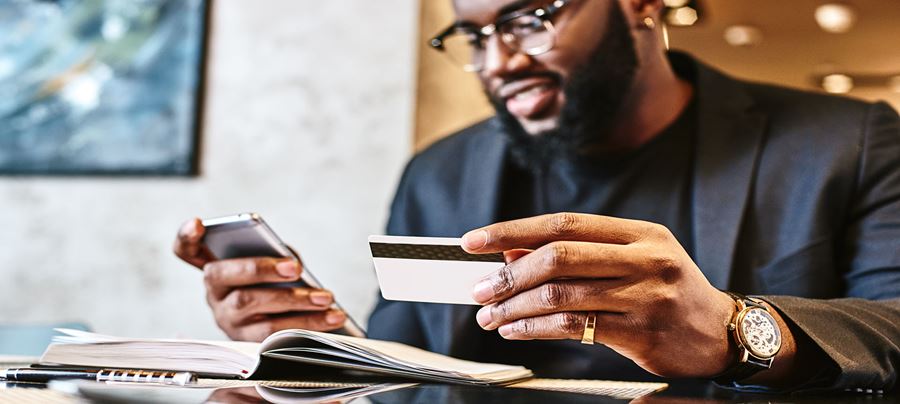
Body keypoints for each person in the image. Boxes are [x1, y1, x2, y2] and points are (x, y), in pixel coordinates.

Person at [174, 0, 900, 392]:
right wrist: (322, 357)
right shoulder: (438, 171)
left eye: (530, 18)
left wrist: (734, 330)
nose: (500, 62)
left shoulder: (847, 140)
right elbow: (413, 367)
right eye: (473, 35)